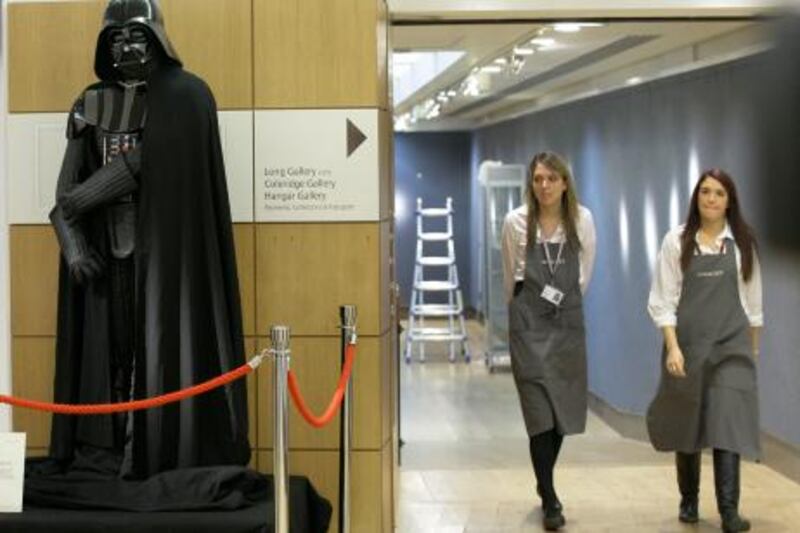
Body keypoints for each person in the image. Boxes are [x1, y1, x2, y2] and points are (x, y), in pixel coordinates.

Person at [29, 0, 253, 508]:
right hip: (103, 258)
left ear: (157, 40)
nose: (126, 48)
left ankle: (153, 445)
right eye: (115, 40)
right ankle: (110, 447)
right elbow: (64, 191)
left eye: (136, 37)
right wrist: (75, 243)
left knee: (156, 353)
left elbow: (139, 168)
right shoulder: (90, 102)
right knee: (108, 355)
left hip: (166, 257)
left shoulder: (187, 98)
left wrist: (86, 196)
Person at [647, 168, 762, 533]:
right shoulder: (676, 241)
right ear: (697, 198)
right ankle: (689, 499)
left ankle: (729, 511)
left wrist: (752, 354)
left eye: (719, 193)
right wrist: (673, 348)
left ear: (730, 201)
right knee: (688, 424)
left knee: (728, 425)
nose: (711, 199)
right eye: (705, 192)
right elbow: (662, 301)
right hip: (689, 347)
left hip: (732, 349)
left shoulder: (742, 243)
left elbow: (754, 307)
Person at [501, 151, 596, 531]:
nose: (544, 186)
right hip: (528, 326)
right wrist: (527, 312)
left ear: (564, 183)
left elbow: (585, 274)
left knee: (562, 414)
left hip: (567, 327)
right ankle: (550, 497)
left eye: (551, 179)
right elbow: (511, 277)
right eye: (538, 179)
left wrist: (562, 302)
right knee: (539, 413)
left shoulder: (582, 220)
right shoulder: (516, 222)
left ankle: (543, 481)